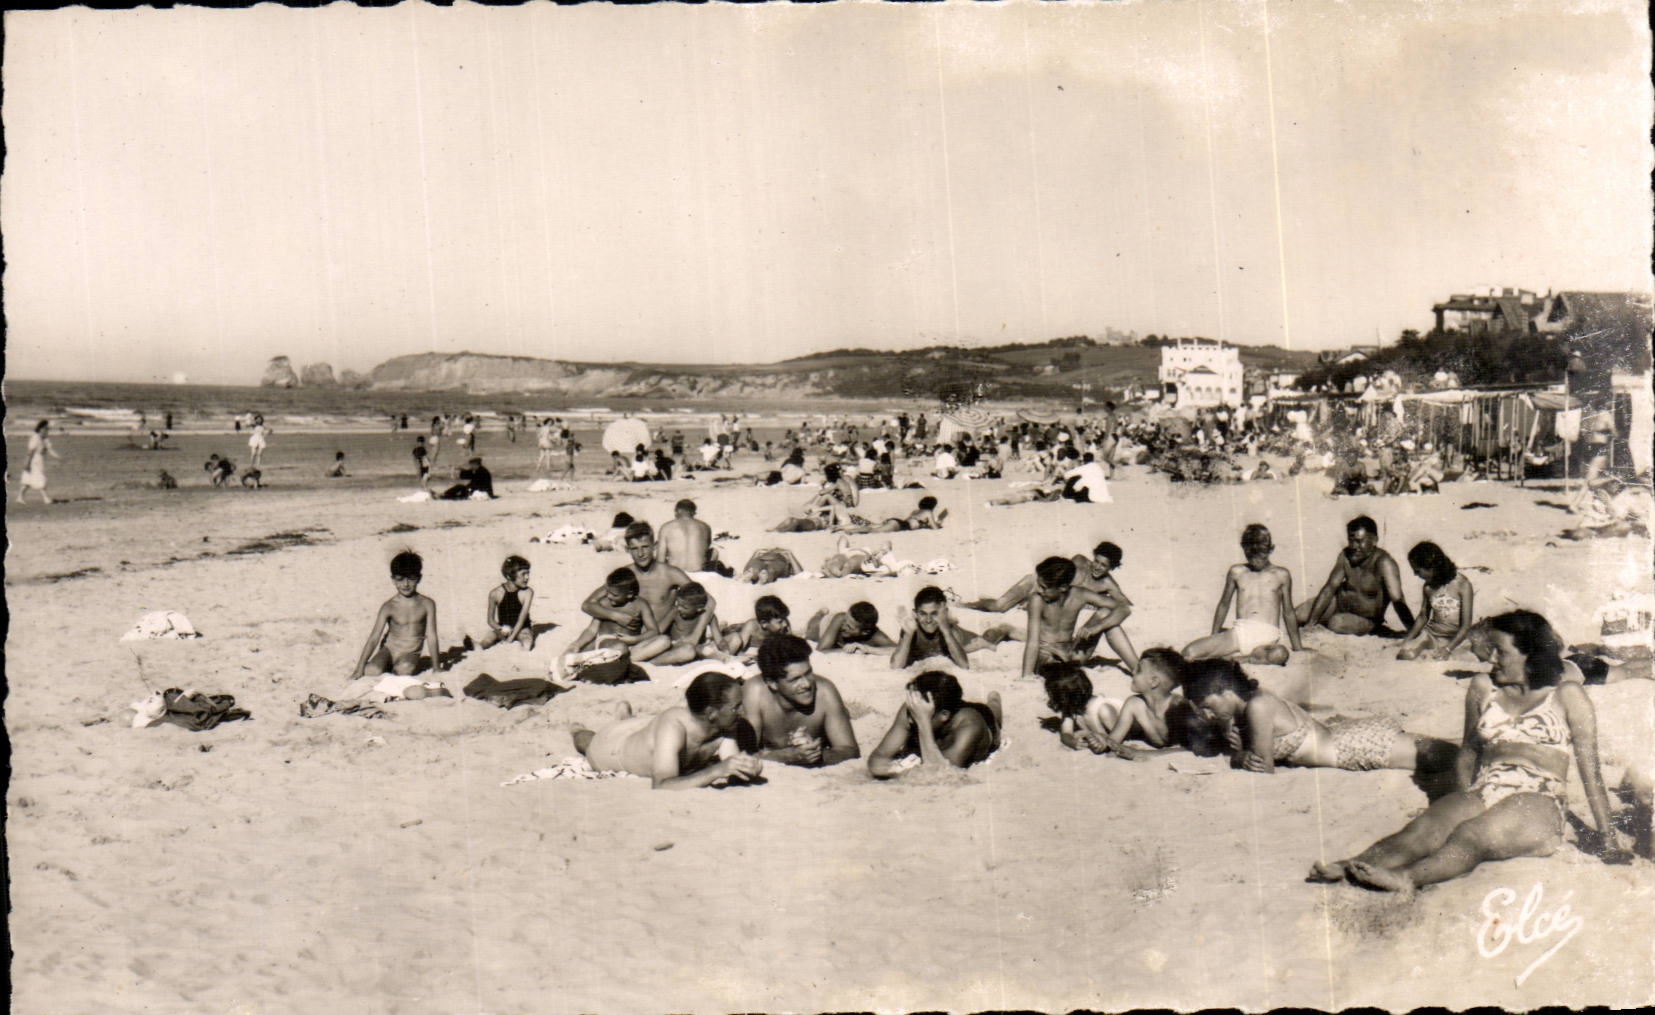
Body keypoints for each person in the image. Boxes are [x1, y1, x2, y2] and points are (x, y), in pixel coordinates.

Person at [1310, 610, 1632, 891]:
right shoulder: (1483, 688)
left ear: (1531, 655)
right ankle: (1353, 865)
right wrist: (1459, 800)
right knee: (1423, 829)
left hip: (1539, 799)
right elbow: (1468, 753)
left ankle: (1407, 878)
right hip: (1485, 788)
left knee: (1471, 834)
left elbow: (1591, 774)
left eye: (1501, 651)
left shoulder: (1568, 696)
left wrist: (1607, 837)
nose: (1491, 658)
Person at [1184, 657, 1421, 774]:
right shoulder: (1255, 698)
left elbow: (1263, 768)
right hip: (1350, 738)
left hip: (1355, 748)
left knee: (1450, 761)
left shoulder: (1258, 708)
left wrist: (1238, 757)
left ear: (1226, 692)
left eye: (1206, 705)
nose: (1207, 714)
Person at [572, 672, 764, 789]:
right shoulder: (674, 726)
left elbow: (732, 768)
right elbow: (662, 785)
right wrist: (716, 771)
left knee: (647, 729)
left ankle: (625, 718)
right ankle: (577, 729)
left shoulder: (725, 725)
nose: (744, 711)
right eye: (736, 707)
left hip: (646, 733)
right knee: (588, 742)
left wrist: (747, 769)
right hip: (613, 750)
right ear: (712, 713)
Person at [1182, 524, 1304, 666]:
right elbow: (1224, 604)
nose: (1256, 559)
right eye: (1250, 555)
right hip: (1240, 634)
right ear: (1244, 549)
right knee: (1188, 652)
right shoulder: (1237, 572)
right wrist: (1215, 636)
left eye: (1261, 554)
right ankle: (1235, 659)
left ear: (1271, 549)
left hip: (1268, 636)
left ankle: (1243, 659)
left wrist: (1298, 647)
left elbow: (1288, 612)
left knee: (1280, 654)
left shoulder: (1281, 574)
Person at [741, 635, 861, 768]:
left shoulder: (824, 691)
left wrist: (817, 756)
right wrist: (788, 756)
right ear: (772, 683)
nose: (806, 684)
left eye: (809, 673)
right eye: (795, 679)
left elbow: (849, 750)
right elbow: (746, 754)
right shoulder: (755, 692)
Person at [1043, 650, 1186, 758]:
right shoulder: (1071, 709)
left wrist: (1090, 735)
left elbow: (1113, 737)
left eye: (1138, 670)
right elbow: (1068, 733)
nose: (1133, 671)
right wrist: (1073, 741)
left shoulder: (1102, 709)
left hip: (1132, 728)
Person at [1296, 515, 1415, 635]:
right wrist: (1311, 623)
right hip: (1338, 605)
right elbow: (1330, 588)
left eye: (1359, 541)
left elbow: (1398, 600)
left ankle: (1375, 629)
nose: (1353, 546)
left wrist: (1413, 630)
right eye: (1350, 541)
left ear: (1374, 540)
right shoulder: (1346, 556)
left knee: (1336, 623)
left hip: (1365, 619)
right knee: (1299, 615)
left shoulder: (1384, 563)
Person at [868, 671, 1002, 777]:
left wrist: (922, 721)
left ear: (944, 715)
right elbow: (878, 756)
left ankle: (994, 699)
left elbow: (940, 773)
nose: (910, 719)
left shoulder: (971, 726)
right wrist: (890, 770)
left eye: (919, 713)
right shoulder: (914, 708)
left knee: (993, 710)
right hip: (947, 710)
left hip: (984, 717)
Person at [1019, 556, 1135, 678]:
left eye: (1044, 587)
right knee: (1056, 667)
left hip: (1071, 650)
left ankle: (1137, 669)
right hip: (1047, 654)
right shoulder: (1037, 600)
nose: (1039, 590)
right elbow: (1032, 642)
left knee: (1105, 613)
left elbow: (1124, 609)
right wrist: (1026, 676)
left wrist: (1097, 627)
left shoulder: (1079, 594)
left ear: (1063, 587)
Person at [349, 551, 443, 682]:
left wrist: (436, 667)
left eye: (411, 578)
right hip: (389, 649)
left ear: (419, 578)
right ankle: (385, 665)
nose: (405, 584)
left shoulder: (427, 604)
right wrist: (359, 668)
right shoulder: (388, 606)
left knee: (404, 669)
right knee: (371, 671)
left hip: (410, 652)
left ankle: (394, 669)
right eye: (400, 579)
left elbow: (432, 636)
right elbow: (374, 638)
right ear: (393, 580)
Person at [583, 521, 690, 630]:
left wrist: (695, 635)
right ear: (628, 550)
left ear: (655, 546)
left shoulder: (670, 573)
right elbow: (587, 605)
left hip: (658, 636)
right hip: (628, 635)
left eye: (645, 547)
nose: (640, 553)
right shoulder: (625, 575)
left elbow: (706, 601)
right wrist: (616, 616)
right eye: (634, 548)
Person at [892, 586, 1010, 669]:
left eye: (934, 613)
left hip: (966, 642)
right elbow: (895, 666)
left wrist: (946, 630)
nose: (928, 619)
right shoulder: (911, 628)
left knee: (989, 637)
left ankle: (1005, 628)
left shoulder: (949, 630)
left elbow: (964, 665)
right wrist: (907, 635)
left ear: (943, 613)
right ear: (915, 614)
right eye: (923, 613)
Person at [567, 567, 670, 662]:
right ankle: (611, 659)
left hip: (632, 645)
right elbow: (592, 630)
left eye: (614, 595)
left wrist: (635, 639)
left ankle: (622, 660)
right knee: (620, 648)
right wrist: (577, 644)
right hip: (607, 642)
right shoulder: (604, 604)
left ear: (629, 594)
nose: (609, 596)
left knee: (664, 641)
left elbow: (654, 631)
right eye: (607, 592)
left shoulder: (641, 604)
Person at [1396, 541, 1475, 661]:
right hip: (1432, 635)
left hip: (1457, 639)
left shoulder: (1462, 585)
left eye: (1418, 570)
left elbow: (1465, 626)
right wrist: (1407, 639)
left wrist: (1448, 649)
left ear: (1431, 567)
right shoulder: (1428, 587)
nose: (1415, 574)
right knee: (1406, 654)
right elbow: (1423, 616)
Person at [653, 582, 730, 665]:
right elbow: (658, 630)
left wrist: (725, 650)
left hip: (698, 651)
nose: (679, 608)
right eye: (677, 604)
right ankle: (652, 663)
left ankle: (725, 658)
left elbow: (719, 640)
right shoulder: (675, 612)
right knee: (689, 650)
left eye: (684, 607)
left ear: (699, 608)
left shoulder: (709, 617)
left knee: (734, 640)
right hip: (678, 649)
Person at [476, 555, 536, 651]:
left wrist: (510, 639)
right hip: (503, 628)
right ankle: (475, 646)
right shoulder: (495, 593)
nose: (527, 577)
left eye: (528, 574)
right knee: (486, 641)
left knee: (527, 644)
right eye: (523, 574)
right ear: (509, 576)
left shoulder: (527, 592)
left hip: (522, 629)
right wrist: (500, 629)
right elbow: (490, 620)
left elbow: (521, 619)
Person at [660, 499, 728, 576]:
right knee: (714, 552)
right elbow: (706, 548)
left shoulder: (666, 527)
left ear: (677, 511)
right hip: (699, 573)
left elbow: (660, 560)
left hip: (676, 575)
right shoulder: (705, 527)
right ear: (693, 512)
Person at [806, 601, 895, 654]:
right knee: (810, 633)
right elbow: (821, 650)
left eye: (849, 627)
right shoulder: (840, 620)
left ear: (865, 632)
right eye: (845, 622)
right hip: (825, 625)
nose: (843, 627)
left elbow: (896, 649)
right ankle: (820, 613)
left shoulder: (876, 636)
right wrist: (844, 650)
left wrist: (867, 649)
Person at [721, 594, 792, 657]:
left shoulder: (784, 627)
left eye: (785, 619)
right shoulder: (752, 627)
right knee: (734, 638)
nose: (785, 624)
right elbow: (739, 650)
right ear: (764, 624)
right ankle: (722, 627)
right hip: (738, 631)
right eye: (780, 622)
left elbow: (790, 646)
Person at [845, 495, 946, 534]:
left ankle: (846, 527)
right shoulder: (928, 512)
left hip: (897, 521)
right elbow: (934, 528)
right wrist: (939, 524)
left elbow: (909, 520)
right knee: (874, 530)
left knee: (872, 525)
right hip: (900, 525)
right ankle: (853, 530)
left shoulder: (915, 511)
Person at [18, 419, 61, 505]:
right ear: (41, 429)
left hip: (40, 460)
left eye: (48, 429)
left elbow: (50, 450)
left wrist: (58, 457)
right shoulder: (35, 437)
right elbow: (30, 452)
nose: (47, 431)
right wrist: (28, 463)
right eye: (46, 429)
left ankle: (20, 497)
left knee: (28, 480)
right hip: (34, 460)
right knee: (40, 477)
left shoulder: (45, 439)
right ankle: (46, 498)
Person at [738, 546, 805, 585]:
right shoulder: (761, 554)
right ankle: (756, 576)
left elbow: (800, 574)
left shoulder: (785, 556)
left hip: (778, 562)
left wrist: (789, 554)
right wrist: (757, 553)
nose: (773, 550)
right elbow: (747, 567)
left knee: (771, 570)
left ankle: (763, 578)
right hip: (761, 560)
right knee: (754, 569)